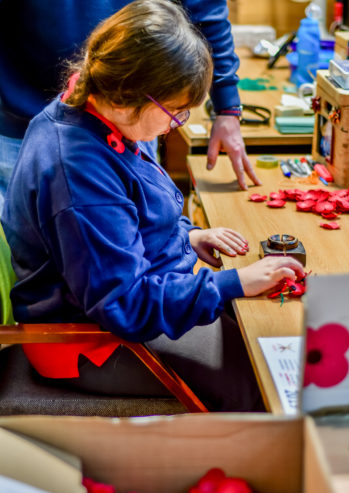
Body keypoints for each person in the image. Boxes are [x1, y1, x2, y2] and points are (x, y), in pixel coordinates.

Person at [2, 0, 304, 412]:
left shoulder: (98, 110)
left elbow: (128, 223)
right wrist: (234, 283)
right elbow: (126, 306)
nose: (174, 125)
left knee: (257, 328)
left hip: (118, 307)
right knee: (262, 383)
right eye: (175, 113)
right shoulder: (79, 171)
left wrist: (186, 235)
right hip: (89, 342)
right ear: (128, 95)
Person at [0, 0, 259, 215]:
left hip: (132, 120)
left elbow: (206, 12)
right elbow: (113, 277)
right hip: (22, 116)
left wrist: (228, 108)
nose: (173, 126)